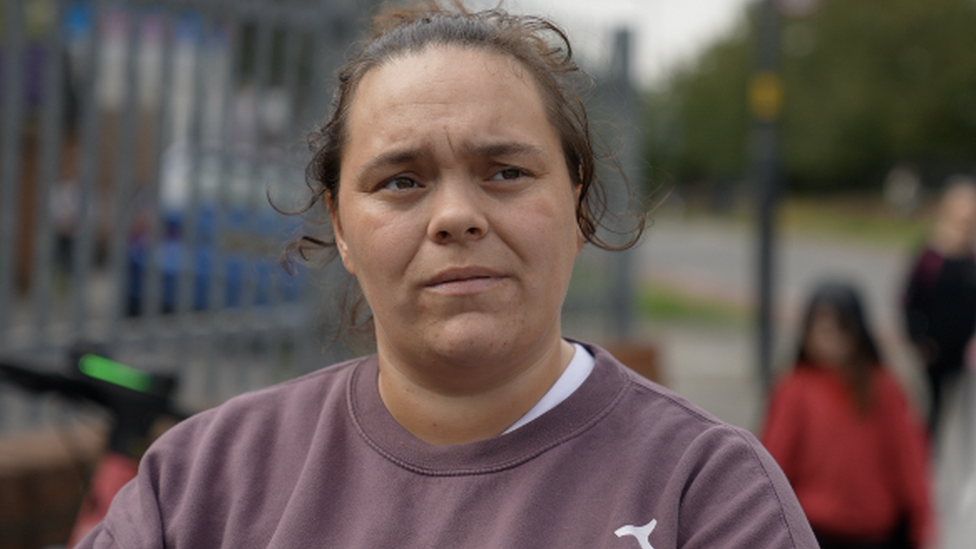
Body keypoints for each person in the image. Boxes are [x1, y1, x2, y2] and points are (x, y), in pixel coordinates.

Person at [75, 3, 818, 548]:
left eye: (505, 170)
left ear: (576, 199)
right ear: (340, 224)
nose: (456, 216)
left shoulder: (710, 492)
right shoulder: (201, 483)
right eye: (402, 180)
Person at [762, 282, 934, 549]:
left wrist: (922, 523)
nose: (830, 338)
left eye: (840, 328)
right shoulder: (794, 388)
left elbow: (908, 459)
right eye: (821, 329)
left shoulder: (883, 387)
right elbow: (774, 461)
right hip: (812, 531)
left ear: (857, 330)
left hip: (875, 533)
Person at [903, 176, 976, 442]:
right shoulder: (931, 255)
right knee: (930, 414)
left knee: (962, 418)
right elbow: (909, 300)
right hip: (933, 349)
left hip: (965, 351)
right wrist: (917, 339)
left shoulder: (972, 255)